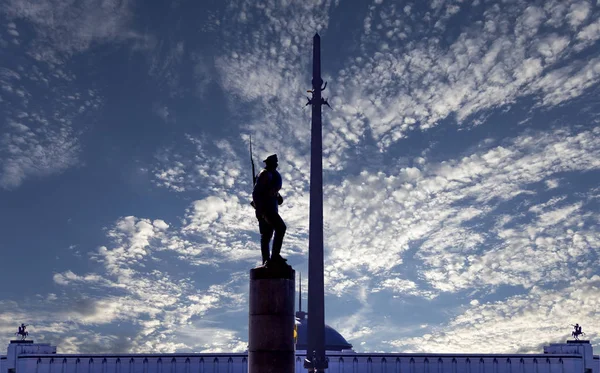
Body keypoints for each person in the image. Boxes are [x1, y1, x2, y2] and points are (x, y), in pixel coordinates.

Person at [252, 154, 287, 266]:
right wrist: (259, 210)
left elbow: (273, 192)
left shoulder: (272, 175)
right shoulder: (265, 174)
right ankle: (274, 256)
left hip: (271, 208)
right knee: (280, 227)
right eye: (273, 162)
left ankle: (267, 260)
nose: (276, 164)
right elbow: (256, 192)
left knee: (267, 235)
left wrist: (278, 197)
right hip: (266, 209)